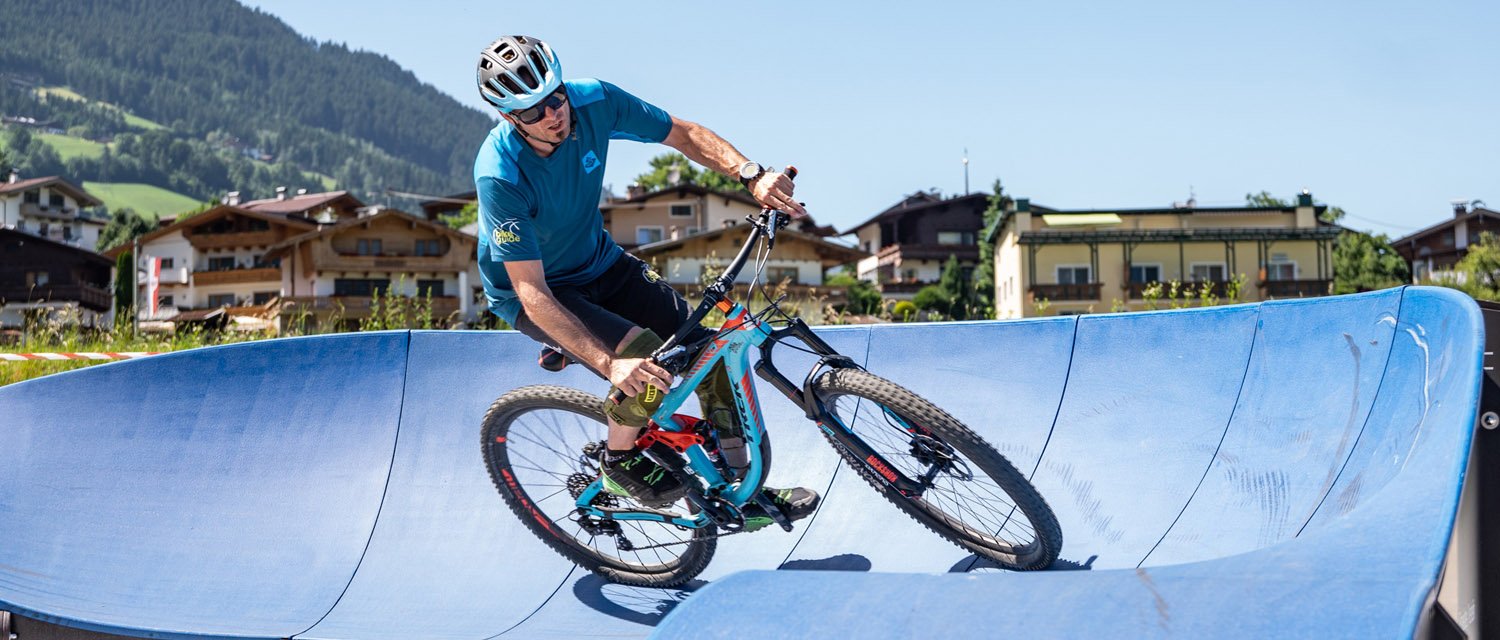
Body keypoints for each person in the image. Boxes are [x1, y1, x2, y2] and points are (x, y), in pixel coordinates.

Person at [473, 35, 819, 526]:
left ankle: (740, 489)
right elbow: (531, 293)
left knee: (709, 351)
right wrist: (607, 362)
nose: (553, 114)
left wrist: (750, 174)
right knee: (644, 365)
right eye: (533, 112)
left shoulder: (593, 100)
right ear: (510, 118)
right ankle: (617, 462)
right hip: (539, 293)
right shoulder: (500, 175)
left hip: (601, 263)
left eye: (555, 97)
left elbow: (683, 134)